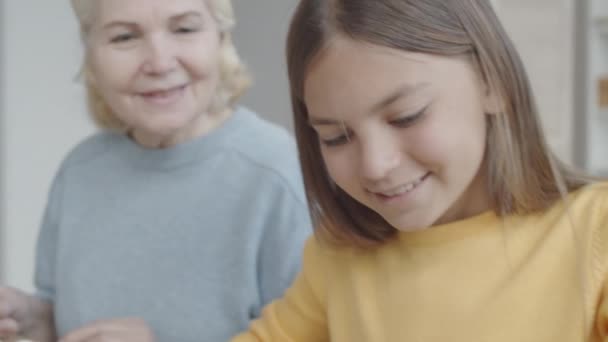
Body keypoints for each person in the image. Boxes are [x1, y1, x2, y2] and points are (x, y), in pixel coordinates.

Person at [231, 0, 608, 341]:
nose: (375, 165)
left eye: (406, 117)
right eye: (336, 138)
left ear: (492, 81)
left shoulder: (595, 232)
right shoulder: (338, 258)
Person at [0, 0, 311, 341]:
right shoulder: (80, 171)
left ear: (221, 39)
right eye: (124, 38)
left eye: (184, 29)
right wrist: (30, 317)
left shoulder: (279, 176)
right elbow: (69, 320)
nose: (159, 63)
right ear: (90, 55)